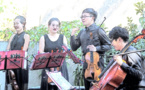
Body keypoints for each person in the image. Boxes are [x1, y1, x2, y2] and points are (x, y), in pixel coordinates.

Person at [70, 8, 111, 90]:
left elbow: (109, 46)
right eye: (81, 16)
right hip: (86, 65)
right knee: (87, 87)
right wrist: (72, 35)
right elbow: (74, 47)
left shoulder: (99, 30)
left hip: (98, 65)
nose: (82, 18)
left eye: (85, 16)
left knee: (97, 87)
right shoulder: (82, 32)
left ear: (92, 17)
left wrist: (96, 48)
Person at [39, 17, 69, 90]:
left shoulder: (62, 37)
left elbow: (66, 51)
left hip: (61, 66)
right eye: (53, 25)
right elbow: (41, 52)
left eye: (57, 25)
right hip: (48, 66)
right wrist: (50, 56)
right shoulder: (44, 37)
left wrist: (65, 51)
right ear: (49, 26)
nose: (55, 27)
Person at [6, 15, 30, 90]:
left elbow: (24, 50)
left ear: (23, 24)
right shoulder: (12, 36)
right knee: (11, 85)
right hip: (11, 64)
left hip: (21, 64)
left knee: (21, 86)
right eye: (14, 23)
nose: (15, 25)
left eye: (17, 23)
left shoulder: (26, 36)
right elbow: (8, 49)